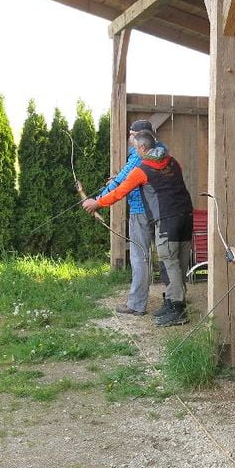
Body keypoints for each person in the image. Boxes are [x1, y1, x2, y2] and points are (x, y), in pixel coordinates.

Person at [84, 130, 193, 328]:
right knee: (180, 262)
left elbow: (119, 192)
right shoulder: (172, 161)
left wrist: (97, 203)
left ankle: (178, 310)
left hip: (167, 220)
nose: (135, 151)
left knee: (171, 264)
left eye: (135, 148)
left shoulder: (142, 169)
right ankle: (171, 302)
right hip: (186, 216)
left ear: (142, 147)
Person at [94, 119, 160, 317]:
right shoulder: (159, 150)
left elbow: (122, 182)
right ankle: (173, 301)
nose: (130, 138)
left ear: (142, 137)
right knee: (166, 257)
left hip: (141, 211)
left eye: (132, 134)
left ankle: (137, 305)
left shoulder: (139, 155)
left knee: (139, 257)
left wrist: (96, 202)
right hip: (158, 211)